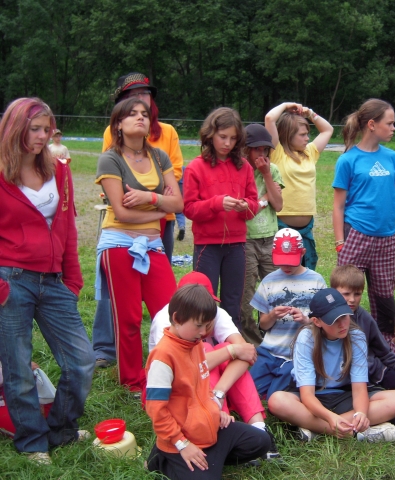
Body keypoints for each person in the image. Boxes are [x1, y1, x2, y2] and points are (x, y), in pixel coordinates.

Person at [0, 97, 94, 464]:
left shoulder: (59, 170)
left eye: (46, 129)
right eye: (34, 129)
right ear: (15, 129)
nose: (42, 137)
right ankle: (32, 442)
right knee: (18, 366)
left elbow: (67, 226)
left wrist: (72, 280)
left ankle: (61, 429)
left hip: (53, 280)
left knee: (81, 360)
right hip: (11, 280)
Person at [94, 72, 184, 369]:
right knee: (129, 317)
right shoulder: (110, 158)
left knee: (170, 311)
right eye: (132, 113)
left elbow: (178, 203)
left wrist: (148, 198)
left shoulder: (159, 156)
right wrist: (161, 207)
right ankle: (132, 378)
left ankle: (170, 369)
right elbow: (121, 212)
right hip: (119, 243)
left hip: (153, 242)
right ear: (118, 123)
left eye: (144, 113)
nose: (140, 117)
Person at [149, 272, 280, 462]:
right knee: (211, 348)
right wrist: (230, 351)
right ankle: (219, 423)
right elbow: (186, 369)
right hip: (180, 394)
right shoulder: (166, 321)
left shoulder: (214, 312)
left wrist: (219, 392)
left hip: (211, 389)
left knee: (227, 350)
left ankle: (258, 426)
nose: (203, 330)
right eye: (198, 324)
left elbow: (246, 352)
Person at [268, 288, 395, 442]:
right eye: (334, 320)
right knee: (277, 401)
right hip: (314, 397)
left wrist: (361, 413)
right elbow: (307, 395)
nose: (342, 324)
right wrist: (330, 418)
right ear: (317, 321)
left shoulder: (357, 337)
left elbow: (359, 389)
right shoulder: (306, 338)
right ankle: (350, 431)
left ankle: (317, 430)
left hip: (345, 395)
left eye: (344, 317)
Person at [332, 98, 395, 347]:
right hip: (356, 234)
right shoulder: (348, 160)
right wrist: (340, 242)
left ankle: (384, 345)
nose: (394, 128)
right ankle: (343, 342)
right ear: (372, 124)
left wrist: (387, 221)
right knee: (347, 292)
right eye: (389, 123)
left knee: (384, 295)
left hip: (386, 238)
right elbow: (338, 205)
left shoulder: (393, 158)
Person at [183, 107, 259, 333]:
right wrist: (216, 204)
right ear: (210, 135)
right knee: (204, 299)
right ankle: (202, 343)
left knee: (233, 301)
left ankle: (232, 344)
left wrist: (246, 207)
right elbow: (189, 208)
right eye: (223, 137)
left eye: (233, 138)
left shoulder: (244, 166)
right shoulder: (196, 167)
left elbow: (253, 205)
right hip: (207, 245)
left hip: (237, 245)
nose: (227, 143)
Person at [249, 228, 326, 399]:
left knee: (276, 396)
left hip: (298, 354)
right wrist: (272, 316)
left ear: (303, 253)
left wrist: (306, 320)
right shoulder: (269, 281)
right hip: (269, 352)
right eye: (282, 262)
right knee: (250, 391)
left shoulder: (316, 280)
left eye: (291, 262)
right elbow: (263, 325)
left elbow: (324, 323)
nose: (286, 267)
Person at [265, 102, 333, 270]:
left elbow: (328, 130)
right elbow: (269, 118)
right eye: (302, 134)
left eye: (307, 134)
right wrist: (286, 105)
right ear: (288, 135)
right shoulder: (277, 153)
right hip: (282, 227)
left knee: (305, 274)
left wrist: (310, 113)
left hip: (306, 229)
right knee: (284, 273)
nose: (307, 138)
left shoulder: (310, 152)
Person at [330, 265, 395, 391]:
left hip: (372, 372)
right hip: (341, 378)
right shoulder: (325, 319)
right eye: (346, 294)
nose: (352, 299)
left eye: (357, 294)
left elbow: (384, 352)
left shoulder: (365, 318)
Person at [240, 124, 284, 346]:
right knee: (245, 296)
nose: (262, 154)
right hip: (246, 239)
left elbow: (279, 204)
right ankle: (252, 342)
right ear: (245, 148)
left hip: (269, 238)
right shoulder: (239, 170)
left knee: (275, 291)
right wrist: (264, 199)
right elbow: (246, 212)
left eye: (265, 149)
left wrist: (266, 174)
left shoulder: (272, 170)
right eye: (257, 149)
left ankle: (273, 337)